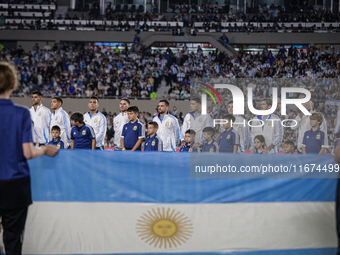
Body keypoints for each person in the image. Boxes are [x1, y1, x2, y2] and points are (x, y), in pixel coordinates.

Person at [0, 62, 59, 255]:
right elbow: (28, 152)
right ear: (14, 85)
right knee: (13, 238)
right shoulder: (21, 113)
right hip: (15, 184)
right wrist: (44, 150)